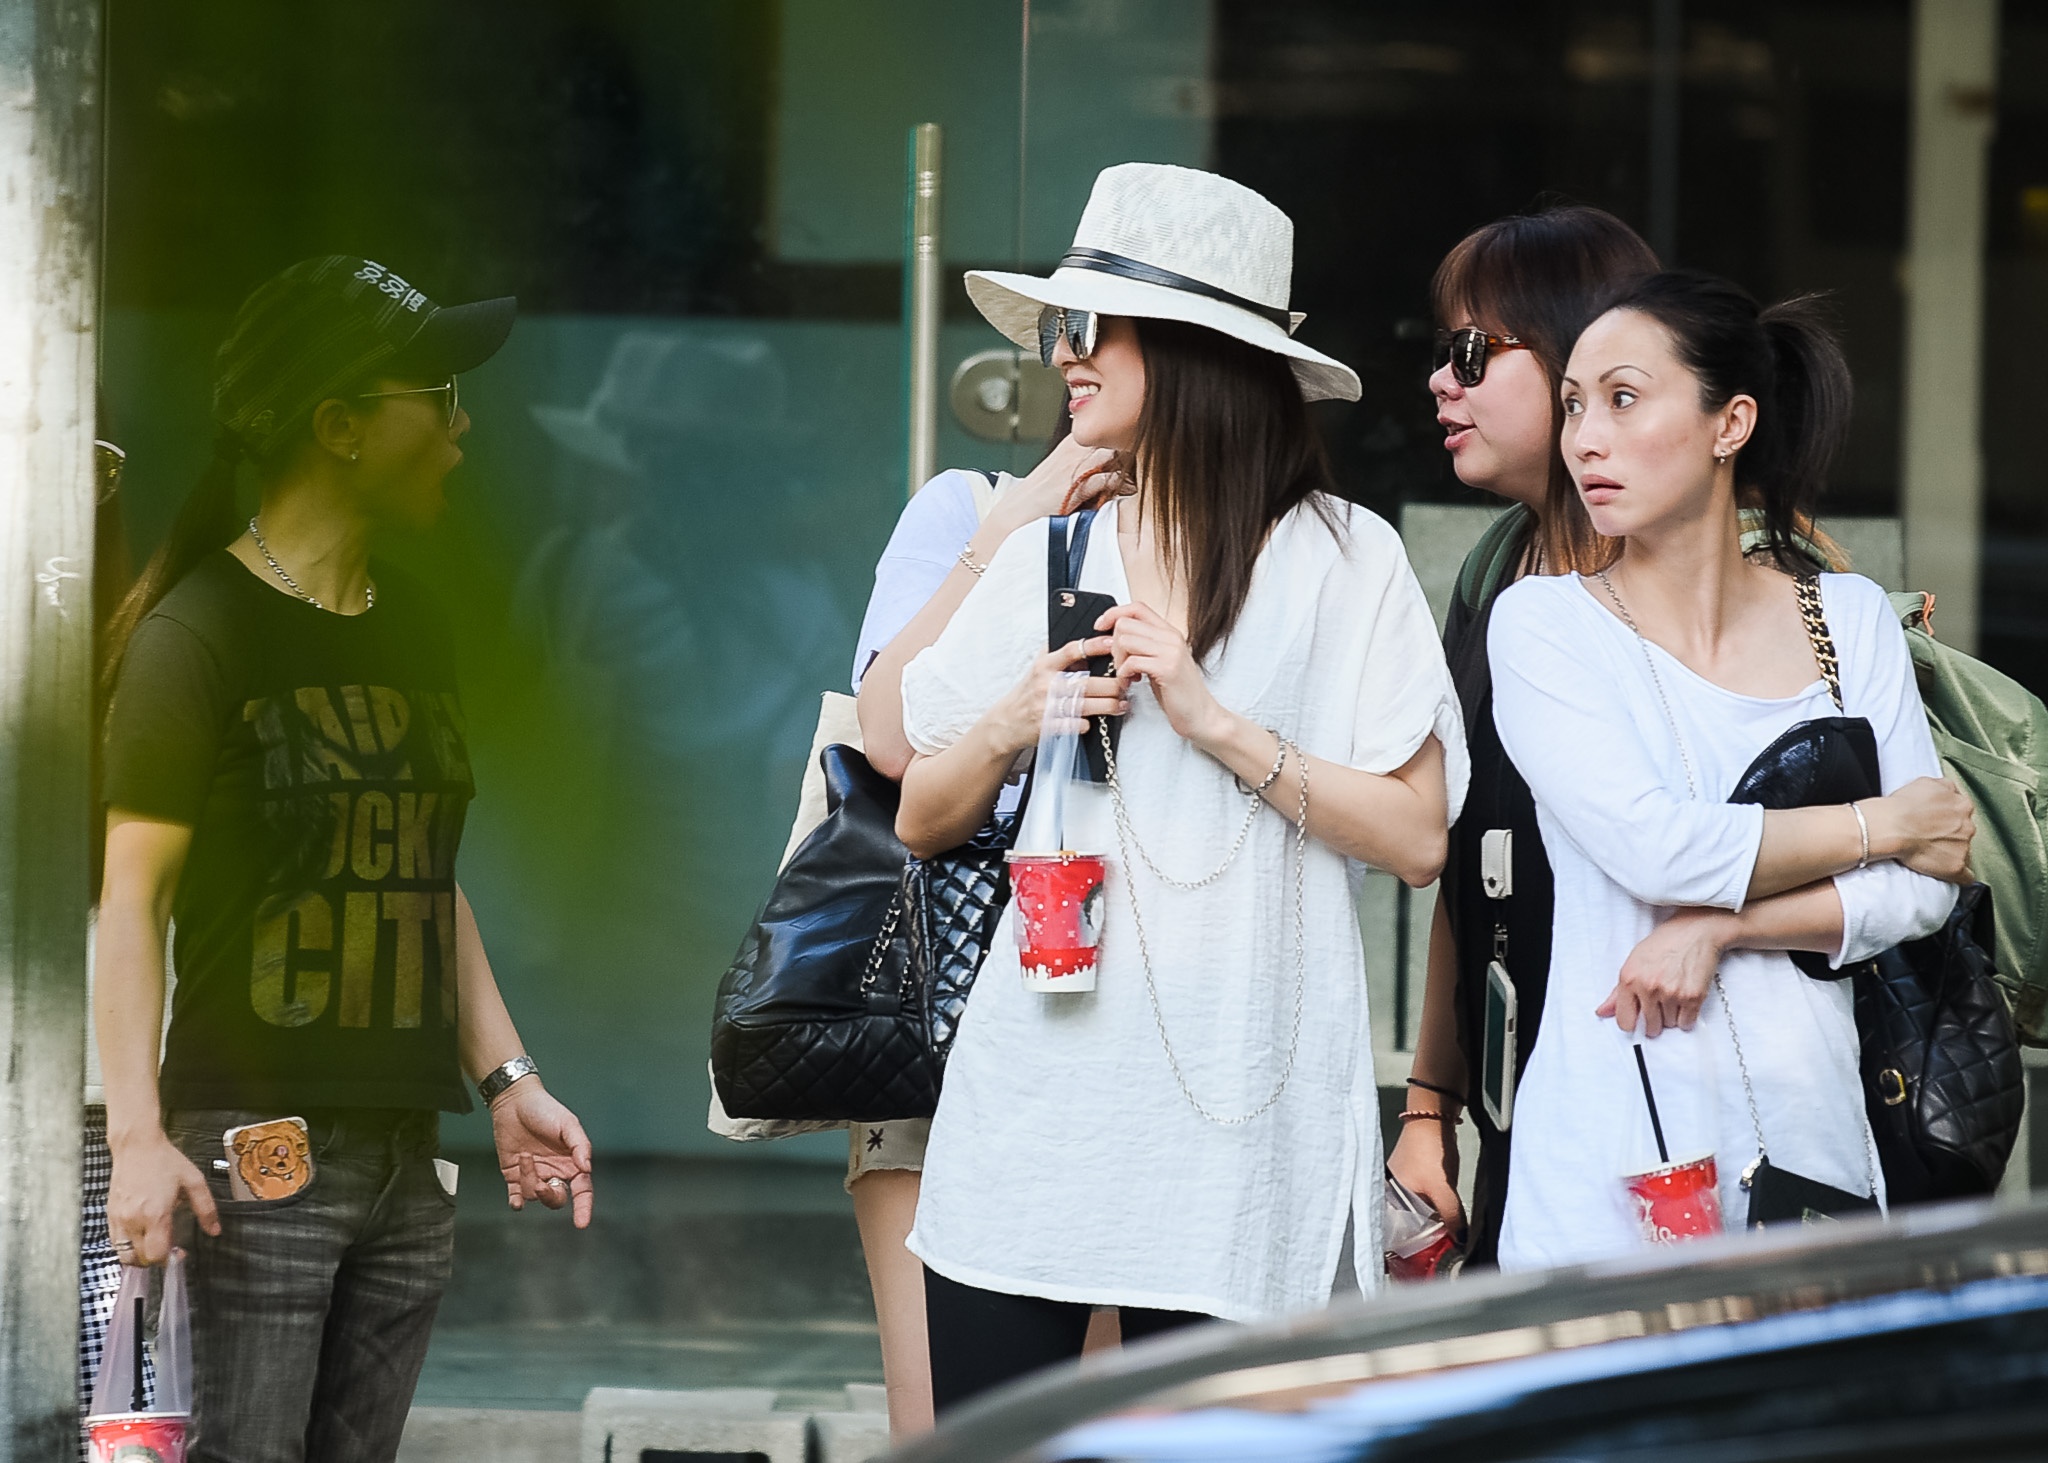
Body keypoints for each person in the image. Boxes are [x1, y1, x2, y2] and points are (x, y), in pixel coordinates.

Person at [894, 162, 1466, 1408]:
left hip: (1239, 1137)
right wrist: (1012, 719)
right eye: (1059, 325)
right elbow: (918, 811)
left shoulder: (1344, 559)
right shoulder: (1057, 552)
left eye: (1089, 325)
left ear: (1194, 347)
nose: (1062, 353)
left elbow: (1417, 837)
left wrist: (1214, 722)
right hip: (1032, 1116)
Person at [96, 256, 595, 1463]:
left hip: (403, 1161)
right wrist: (138, 1137)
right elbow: (131, 901)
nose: (462, 430)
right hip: (251, 1153)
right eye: (439, 398)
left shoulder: (417, 622)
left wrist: (508, 1080)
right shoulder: (196, 634)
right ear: (341, 426)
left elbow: (420, 870)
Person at [1487, 270, 1975, 1269]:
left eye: (1623, 398)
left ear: (1730, 422)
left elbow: (1926, 890)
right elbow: (1658, 847)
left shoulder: (1845, 618)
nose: (1584, 439)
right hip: (1610, 1158)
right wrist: (1880, 825)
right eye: (1573, 405)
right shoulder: (1544, 625)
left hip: (1813, 1147)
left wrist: (1723, 928)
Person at [1388, 206, 1658, 1266]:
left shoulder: (1711, 581)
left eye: (1470, 352)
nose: (1439, 382)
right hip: (1521, 1107)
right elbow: (1465, 855)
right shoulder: (1494, 569)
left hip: (1663, 1113)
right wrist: (1428, 1107)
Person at [845, 433, 1120, 1438]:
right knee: (949, 1424)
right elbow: (888, 737)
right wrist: (1013, 528)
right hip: (939, 995)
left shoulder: (1217, 541)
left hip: (1116, 1013)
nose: (1077, 364)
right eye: (1067, 352)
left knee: (1102, 1410)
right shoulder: (967, 506)